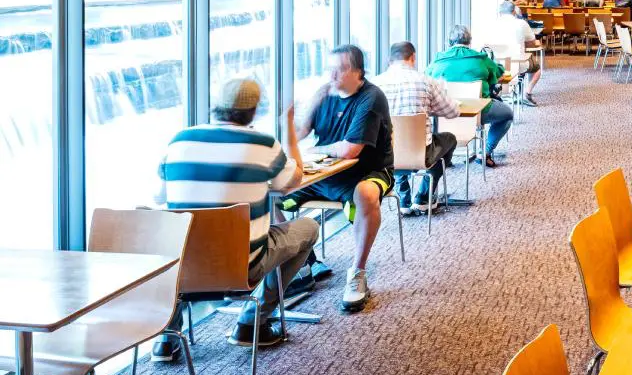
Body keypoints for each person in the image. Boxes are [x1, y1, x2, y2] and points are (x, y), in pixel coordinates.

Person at [153, 77, 319, 357]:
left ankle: (168, 337)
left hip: (181, 271)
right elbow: (292, 181)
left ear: (215, 106)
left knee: (187, 239)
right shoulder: (263, 145)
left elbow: (160, 197)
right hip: (242, 268)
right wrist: (288, 126)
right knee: (309, 227)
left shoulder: (179, 140)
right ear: (254, 111)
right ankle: (253, 321)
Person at [289, 44, 393, 313]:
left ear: (357, 71)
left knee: (367, 194)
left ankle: (357, 273)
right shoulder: (323, 94)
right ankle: (305, 263)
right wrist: (289, 117)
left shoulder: (371, 97)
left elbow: (350, 150)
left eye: (340, 69)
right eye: (330, 69)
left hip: (367, 172)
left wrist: (316, 149)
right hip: (323, 175)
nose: (332, 75)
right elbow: (299, 133)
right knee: (272, 199)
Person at [372, 42, 459, 216]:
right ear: (413, 57)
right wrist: (427, 109)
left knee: (394, 142)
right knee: (450, 138)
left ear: (389, 60)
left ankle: (403, 197)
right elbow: (452, 112)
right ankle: (424, 197)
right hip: (421, 154)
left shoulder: (375, 84)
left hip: (384, 157)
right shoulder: (426, 81)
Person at [426, 25, 515, 165]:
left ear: (449, 42)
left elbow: (427, 79)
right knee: (507, 114)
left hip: (444, 114)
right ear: (470, 42)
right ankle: (485, 152)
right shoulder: (480, 58)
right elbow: (498, 72)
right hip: (479, 112)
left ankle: (443, 155)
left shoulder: (438, 60)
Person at [492, 0, 542, 104]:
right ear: (514, 12)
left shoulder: (494, 24)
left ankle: (504, 93)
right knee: (537, 69)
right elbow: (532, 42)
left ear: (500, 13)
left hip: (497, 64)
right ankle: (526, 93)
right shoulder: (521, 23)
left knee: (516, 65)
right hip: (518, 63)